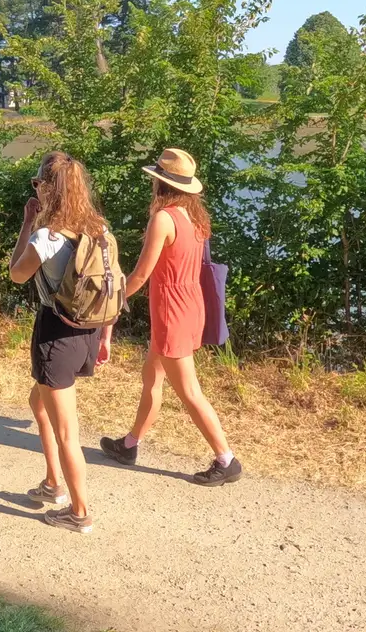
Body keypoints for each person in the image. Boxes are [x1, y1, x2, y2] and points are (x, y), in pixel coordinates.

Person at [98, 148, 242, 486]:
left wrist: (113, 299)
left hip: (171, 312)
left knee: (189, 391)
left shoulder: (163, 219)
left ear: (160, 185)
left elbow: (141, 273)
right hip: (191, 306)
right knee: (152, 377)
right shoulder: (196, 218)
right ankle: (129, 444)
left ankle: (226, 459)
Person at [8, 150, 110, 532]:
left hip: (56, 332)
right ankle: (52, 483)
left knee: (67, 429)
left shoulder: (46, 237)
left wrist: (27, 224)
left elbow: (17, 275)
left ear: (48, 190)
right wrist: (106, 337)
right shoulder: (98, 228)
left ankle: (79, 511)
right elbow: (110, 285)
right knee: (39, 402)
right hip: (89, 329)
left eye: (38, 184)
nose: (35, 189)